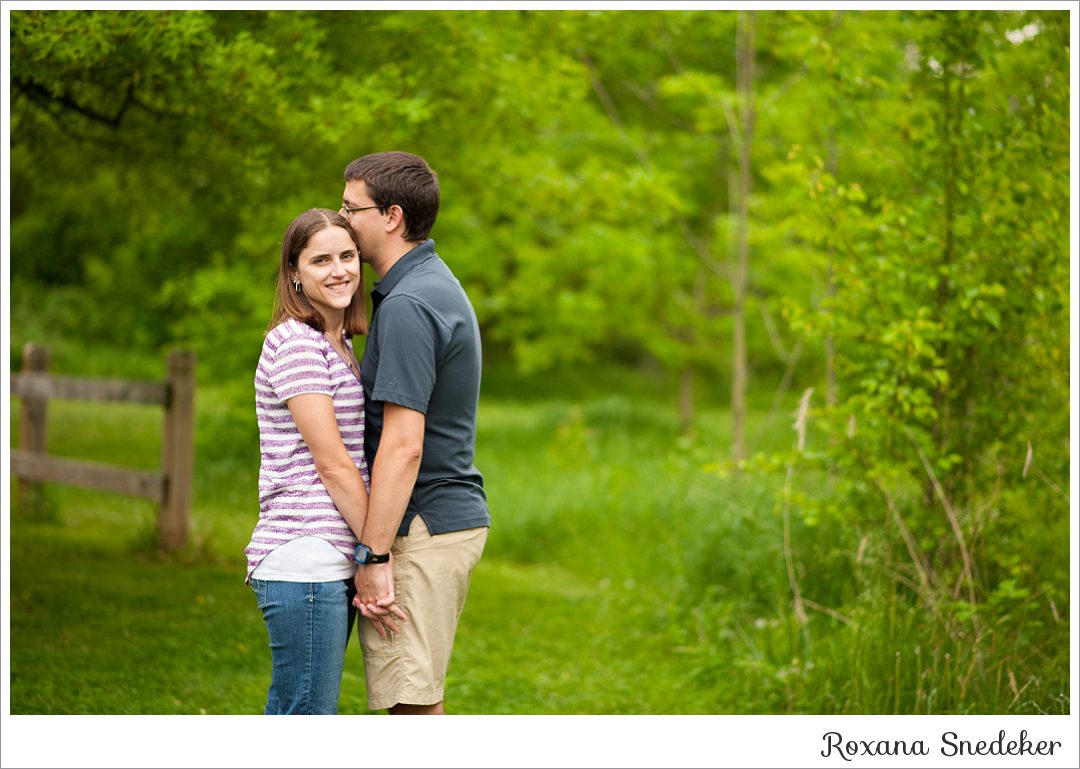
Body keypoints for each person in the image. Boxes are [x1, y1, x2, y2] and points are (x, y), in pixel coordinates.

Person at [340, 152, 490, 715]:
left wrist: (373, 556)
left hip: (421, 524)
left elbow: (404, 446)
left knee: (408, 708)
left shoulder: (408, 304)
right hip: (439, 518)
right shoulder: (427, 284)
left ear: (392, 216)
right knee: (416, 701)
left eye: (351, 208)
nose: (341, 217)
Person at [243, 207, 404, 715]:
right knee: (305, 716)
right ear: (294, 272)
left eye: (348, 255)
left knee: (303, 712)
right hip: (304, 557)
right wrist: (376, 551)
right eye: (320, 260)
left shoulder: (339, 343)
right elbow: (333, 463)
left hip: (327, 557)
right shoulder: (296, 344)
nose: (339, 270)